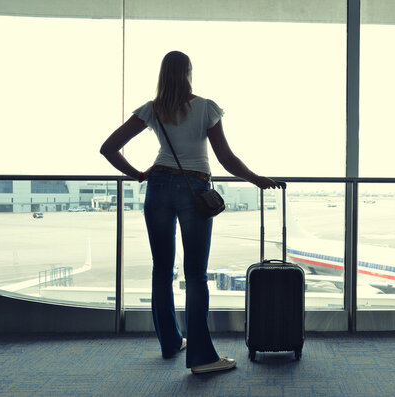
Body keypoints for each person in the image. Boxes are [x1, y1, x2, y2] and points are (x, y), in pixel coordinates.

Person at [100, 50, 281, 374]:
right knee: (196, 275)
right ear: (188, 72)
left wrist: (139, 174)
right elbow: (226, 158)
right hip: (194, 188)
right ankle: (200, 358)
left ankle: (171, 342)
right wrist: (256, 179)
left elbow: (108, 148)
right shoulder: (205, 108)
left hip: (157, 188)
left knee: (161, 270)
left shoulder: (152, 109)